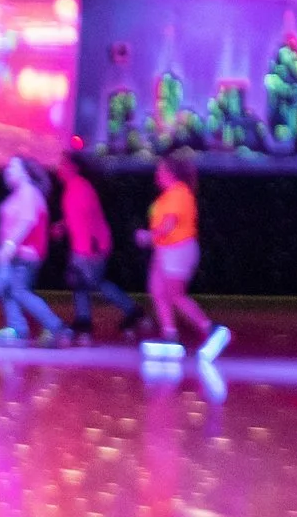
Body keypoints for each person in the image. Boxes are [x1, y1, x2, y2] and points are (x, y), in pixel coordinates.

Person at [145, 148, 228, 365]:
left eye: (161, 171)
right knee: (158, 291)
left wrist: (148, 236)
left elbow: (169, 224)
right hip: (165, 249)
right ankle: (170, 336)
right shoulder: (169, 195)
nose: (157, 175)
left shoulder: (179, 193)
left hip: (178, 249)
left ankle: (211, 329)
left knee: (174, 294)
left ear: (171, 173)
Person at [57, 141, 135, 343]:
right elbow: (76, 216)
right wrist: (63, 225)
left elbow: (91, 218)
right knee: (84, 284)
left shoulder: (81, 187)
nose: (59, 168)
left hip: (90, 245)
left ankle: (130, 312)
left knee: (88, 283)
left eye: (63, 164)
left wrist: (94, 245)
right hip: (82, 245)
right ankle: (86, 322)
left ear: (73, 167)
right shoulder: (72, 188)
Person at [0, 156, 63, 346]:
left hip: (25, 254)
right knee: (4, 286)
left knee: (18, 290)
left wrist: (10, 246)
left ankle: (55, 327)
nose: (8, 171)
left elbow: (27, 221)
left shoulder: (28, 192)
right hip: (14, 254)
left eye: (12, 167)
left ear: (25, 172)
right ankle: (17, 328)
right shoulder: (18, 194)